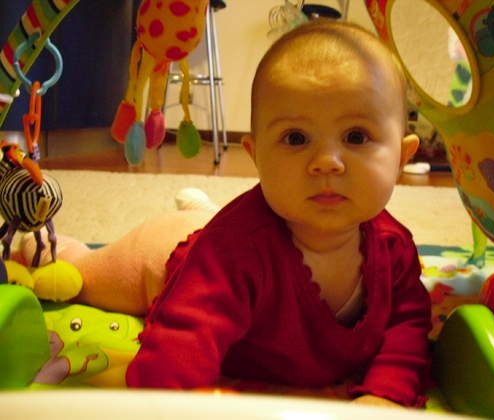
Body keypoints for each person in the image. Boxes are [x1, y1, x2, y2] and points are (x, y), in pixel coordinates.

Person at [16, 19, 431, 408]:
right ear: (255, 155)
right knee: (88, 278)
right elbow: (178, 351)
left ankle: (202, 207)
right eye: (296, 138)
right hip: (167, 259)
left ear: (401, 156)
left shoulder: (393, 248)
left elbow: (407, 327)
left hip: (229, 242)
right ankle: (57, 251)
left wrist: (386, 395)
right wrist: (166, 407)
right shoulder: (230, 251)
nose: (327, 162)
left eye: (356, 136)